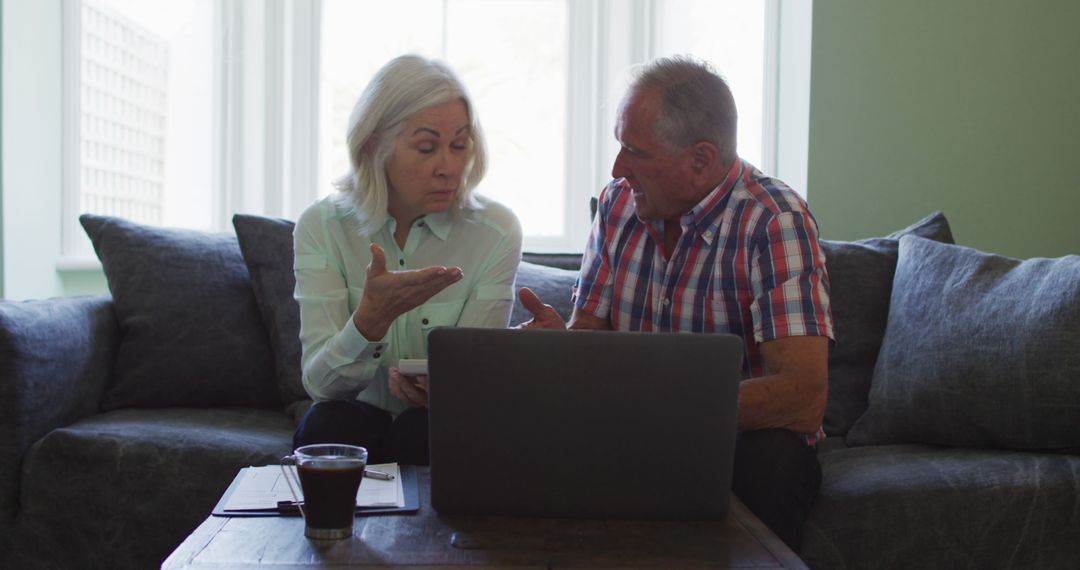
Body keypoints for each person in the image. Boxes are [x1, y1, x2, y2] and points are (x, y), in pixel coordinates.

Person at [518, 55, 833, 551]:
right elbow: (590, 337)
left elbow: (803, 395)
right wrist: (560, 350)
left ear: (701, 160)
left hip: (733, 438)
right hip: (628, 430)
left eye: (633, 151)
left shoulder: (774, 221)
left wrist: (663, 408)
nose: (617, 168)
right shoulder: (618, 203)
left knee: (774, 459)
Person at [292, 55, 522, 465]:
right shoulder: (321, 226)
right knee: (327, 425)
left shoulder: (496, 231)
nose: (449, 168)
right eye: (427, 148)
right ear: (373, 146)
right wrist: (369, 322)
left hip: (441, 423)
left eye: (459, 145)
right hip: (353, 417)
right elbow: (321, 386)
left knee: (423, 429)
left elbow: (477, 378)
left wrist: (448, 390)